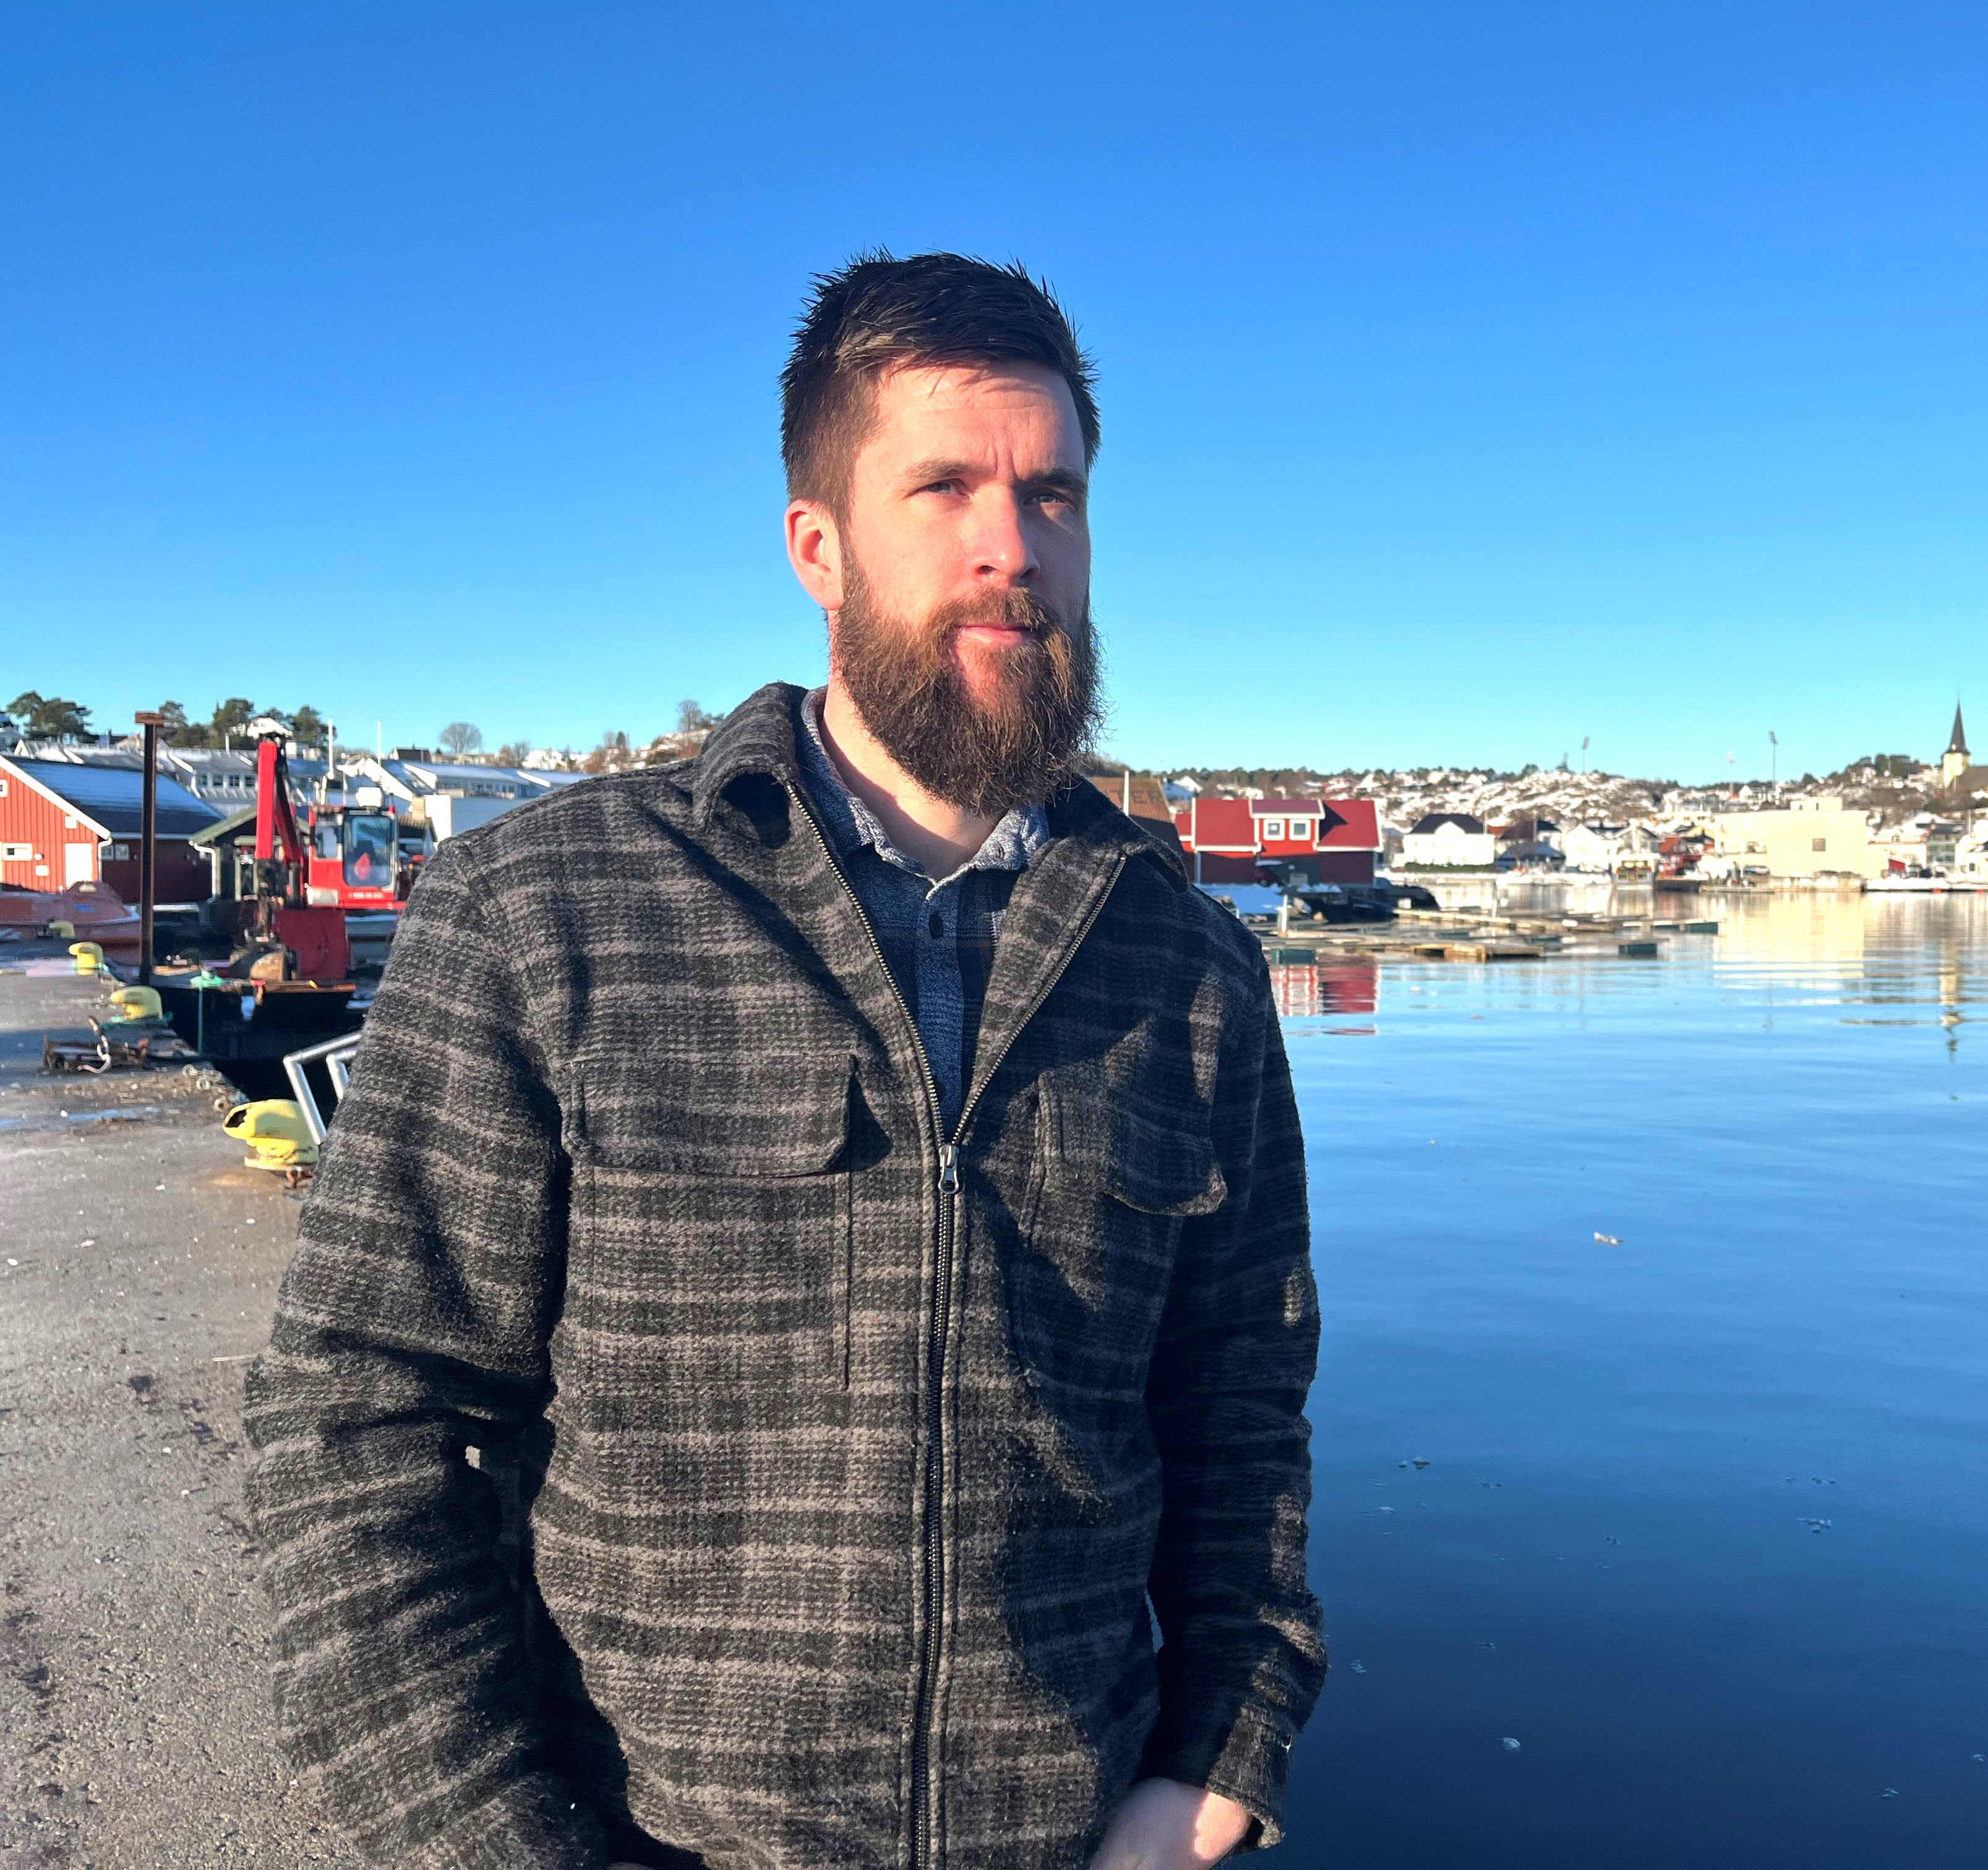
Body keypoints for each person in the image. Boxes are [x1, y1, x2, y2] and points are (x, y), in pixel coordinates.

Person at [246, 252, 1324, 1869]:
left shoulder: (1191, 969)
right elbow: (356, 1415)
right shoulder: (549, 911)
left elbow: (1243, 1406)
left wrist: (1218, 1757)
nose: (1013, 546)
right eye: (944, 488)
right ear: (818, 546)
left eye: (1053, 495)